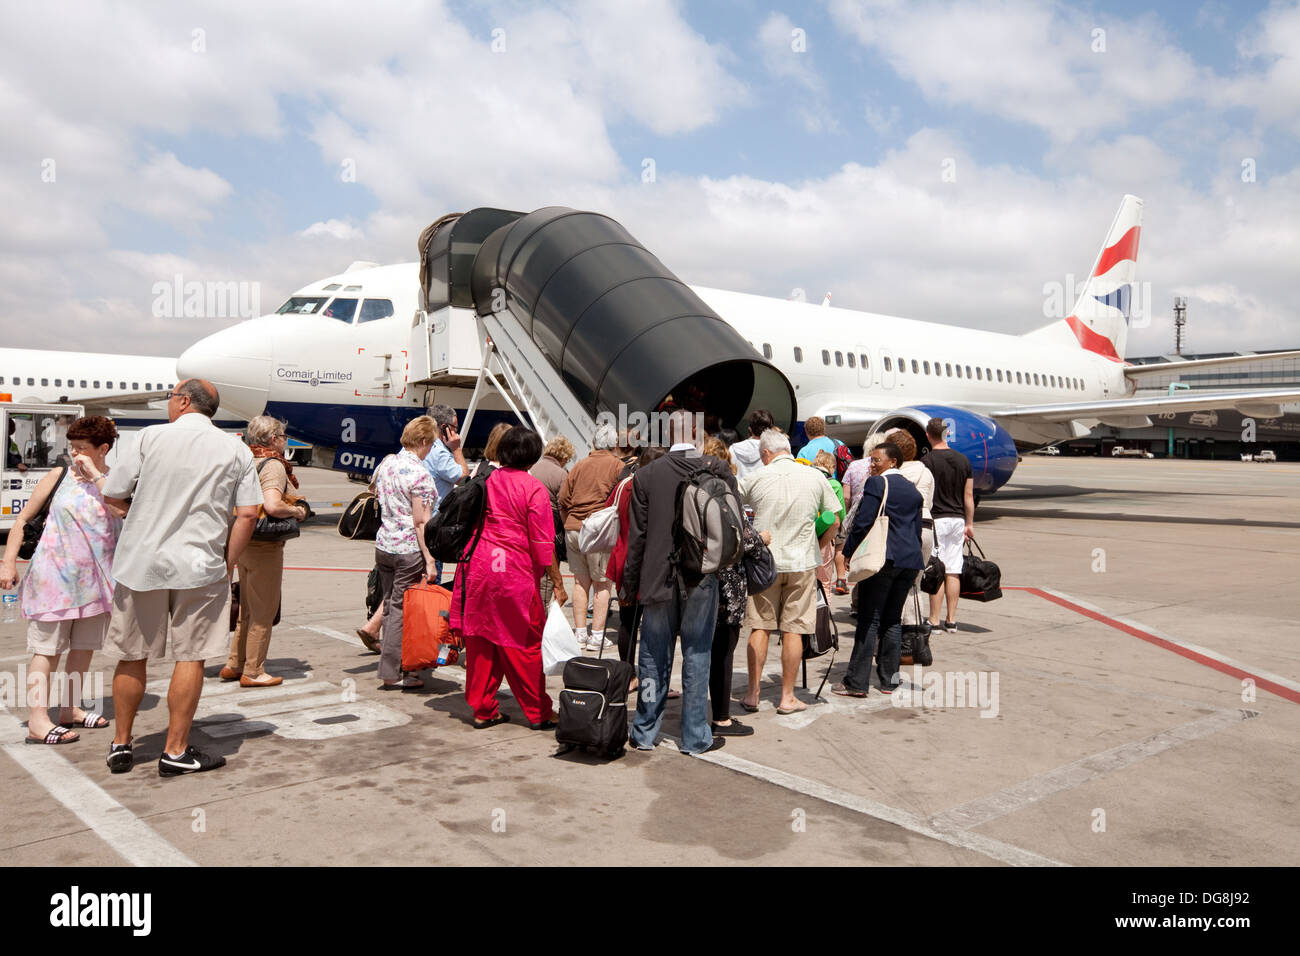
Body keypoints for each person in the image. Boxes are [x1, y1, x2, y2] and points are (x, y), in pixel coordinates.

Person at [99, 380, 261, 776]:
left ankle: (121, 744)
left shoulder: (149, 438)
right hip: (199, 566)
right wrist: (228, 561)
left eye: (171, 397)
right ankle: (174, 750)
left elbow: (113, 494)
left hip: (142, 564)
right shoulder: (235, 449)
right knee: (190, 656)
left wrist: (135, 516)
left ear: (184, 401)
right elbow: (249, 513)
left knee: (131, 655)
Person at [1, 416, 121, 744]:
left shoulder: (114, 482)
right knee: (46, 650)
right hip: (53, 581)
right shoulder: (59, 475)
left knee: (82, 649)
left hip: (96, 584)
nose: (75, 454)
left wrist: (96, 477)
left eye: (82, 448)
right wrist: (8, 562)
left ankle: (70, 708)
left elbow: (123, 511)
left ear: (103, 449)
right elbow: (22, 520)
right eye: (73, 447)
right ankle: (38, 720)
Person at [621, 410, 734, 755]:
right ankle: (696, 736)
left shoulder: (647, 474)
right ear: (698, 433)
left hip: (657, 578)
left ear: (667, 434)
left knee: (653, 656)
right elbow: (732, 524)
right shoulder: (718, 470)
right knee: (698, 653)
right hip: (702, 575)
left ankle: (644, 731)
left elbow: (637, 539)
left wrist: (629, 585)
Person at [450, 426, 557, 730]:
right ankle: (538, 711)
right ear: (534, 455)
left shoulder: (485, 479)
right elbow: (541, 543)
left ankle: (483, 709)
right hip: (513, 572)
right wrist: (544, 573)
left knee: (482, 640)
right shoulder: (532, 487)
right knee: (523, 645)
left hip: (478, 567)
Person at [738, 429, 840, 716]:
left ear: (767, 454)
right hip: (801, 562)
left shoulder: (756, 478)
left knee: (761, 626)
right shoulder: (815, 477)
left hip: (764, 564)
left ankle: (752, 693)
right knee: (794, 629)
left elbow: (730, 506)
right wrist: (818, 547)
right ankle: (787, 697)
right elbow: (833, 519)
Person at [220, 415, 307, 688]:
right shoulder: (274, 466)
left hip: (242, 541)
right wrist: (297, 511)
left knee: (247, 606)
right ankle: (254, 670)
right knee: (263, 610)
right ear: (273, 439)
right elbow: (272, 505)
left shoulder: (245, 459)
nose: (284, 441)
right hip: (264, 546)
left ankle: (235, 662)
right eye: (282, 437)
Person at [835, 440, 924, 697]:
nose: (872, 465)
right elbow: (916, 529)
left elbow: (863, 522)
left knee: (869, 619)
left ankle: (856, 682)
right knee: (892, 620)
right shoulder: (911, 489)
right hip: (909, 561)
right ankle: (889, 680)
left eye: (876, 460)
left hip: (883, 559)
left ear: (892, 461)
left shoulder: (878, 483)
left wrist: (849, 551)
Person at [701, 438, 767, 738]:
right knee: (723, 652)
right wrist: (762, 538)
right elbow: (746, 540)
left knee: (698, 649)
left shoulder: (691, 491)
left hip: (698, 583)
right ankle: (722, 718)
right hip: (727, 587)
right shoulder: (725, 495)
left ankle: (696, 712)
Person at [371, 416, 439, 690]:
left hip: (384, 544)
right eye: (431, 444)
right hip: (408, 548)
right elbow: (421, 521)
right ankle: (393, 670)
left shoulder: (387, 463)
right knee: (401, 610)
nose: (431, 449)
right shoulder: (419, 474)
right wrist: (430, 559)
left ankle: (396, 666)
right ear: (423, 442)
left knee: (390, 605)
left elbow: (375, 493)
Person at [559, 423, 623, 650]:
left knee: (579, 582)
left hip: (574, 527)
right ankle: (596, 635)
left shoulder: (579, 465)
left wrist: (570, 521)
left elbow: (563, 499)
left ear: (594, 443)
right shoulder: (617, 466)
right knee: (602, 584)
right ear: (615, 444)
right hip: (599, 531)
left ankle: (579, 634)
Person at [606, 445, 664, 668]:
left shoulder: (625, 485)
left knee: (627, 622)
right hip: (651, 563)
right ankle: (653, 677)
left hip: (623, 559)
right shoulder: (658, 489)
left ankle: (627, 674)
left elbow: (608, 507)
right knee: (654, 624)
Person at [922, 417, 974, 632]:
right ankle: (951, 620)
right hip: (957, 519)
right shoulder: (963, 461)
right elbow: (968, 496)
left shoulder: (926, 462)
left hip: (937, 520)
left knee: (936, 569)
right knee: (953, 570)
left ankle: (934, 620)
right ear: (947, 434)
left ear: (928, 435)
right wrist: (969, 523)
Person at [887, 429, 935, 629]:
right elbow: (928, 502)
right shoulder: (925, 471)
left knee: (892, 584)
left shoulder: (892, 473)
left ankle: (894, 630)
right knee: (915, 584)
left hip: (900, 528)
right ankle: (913, 631)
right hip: (925, 526)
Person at [421, 403, 470, 581]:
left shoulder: (416, 447)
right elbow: (464, 479)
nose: (456, 433)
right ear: (444, 428)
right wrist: (456, 448)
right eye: (454, 429)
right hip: (431, 530)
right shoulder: (439, 452)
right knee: (430, 591)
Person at [837, 432, 888, 598]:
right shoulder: (885, 469)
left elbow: (845, 496)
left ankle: (856, 600)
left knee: (857, 559)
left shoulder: (854, 465)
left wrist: (847, 517)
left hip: (857, 516)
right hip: (878, 517)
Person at [529, 435, 573, 609]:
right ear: (563, 456)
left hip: (530, 523)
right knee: (548, 573)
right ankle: (543, 611)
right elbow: (563, 505)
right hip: (550, 523)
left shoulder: (533, 467)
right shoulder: (561, 474)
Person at [811, 450, 846, 588]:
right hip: (825, 532)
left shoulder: (809, 479)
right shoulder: (835, 484)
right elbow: (840, 513)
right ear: (831, 466)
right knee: (824, 579)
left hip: (808, 530)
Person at [729, 409, 775, 479]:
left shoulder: (733, 449)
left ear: (750, 429)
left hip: (738, 489)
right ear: (771, 429)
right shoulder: (774, 451)